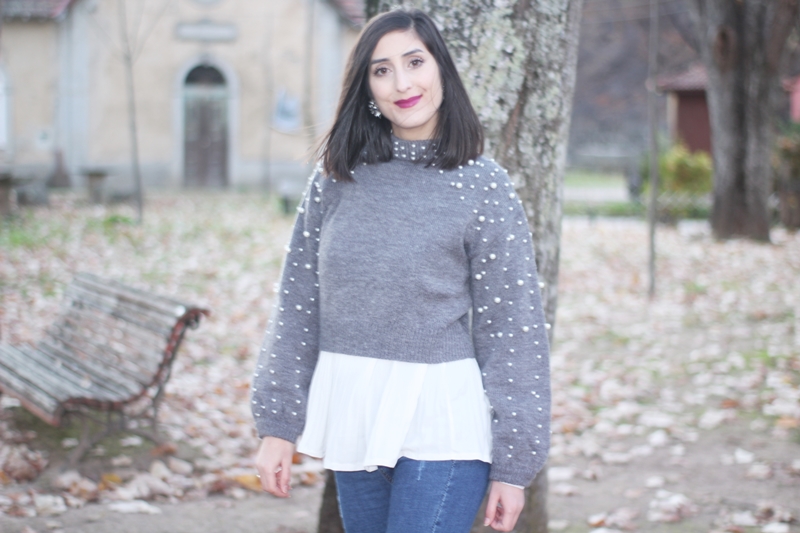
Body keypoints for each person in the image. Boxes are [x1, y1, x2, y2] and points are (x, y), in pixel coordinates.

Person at [252, 8, 551, 533]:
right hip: (354, 416)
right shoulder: (336, 179)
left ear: (441, 70)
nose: (402, 83)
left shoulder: (482, 185)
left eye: (415, 62)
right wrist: (277, 425)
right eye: (382, 70)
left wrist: (514, 464)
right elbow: (299, 304)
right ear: (367, 87)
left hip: (443, 422)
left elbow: (512, 328)